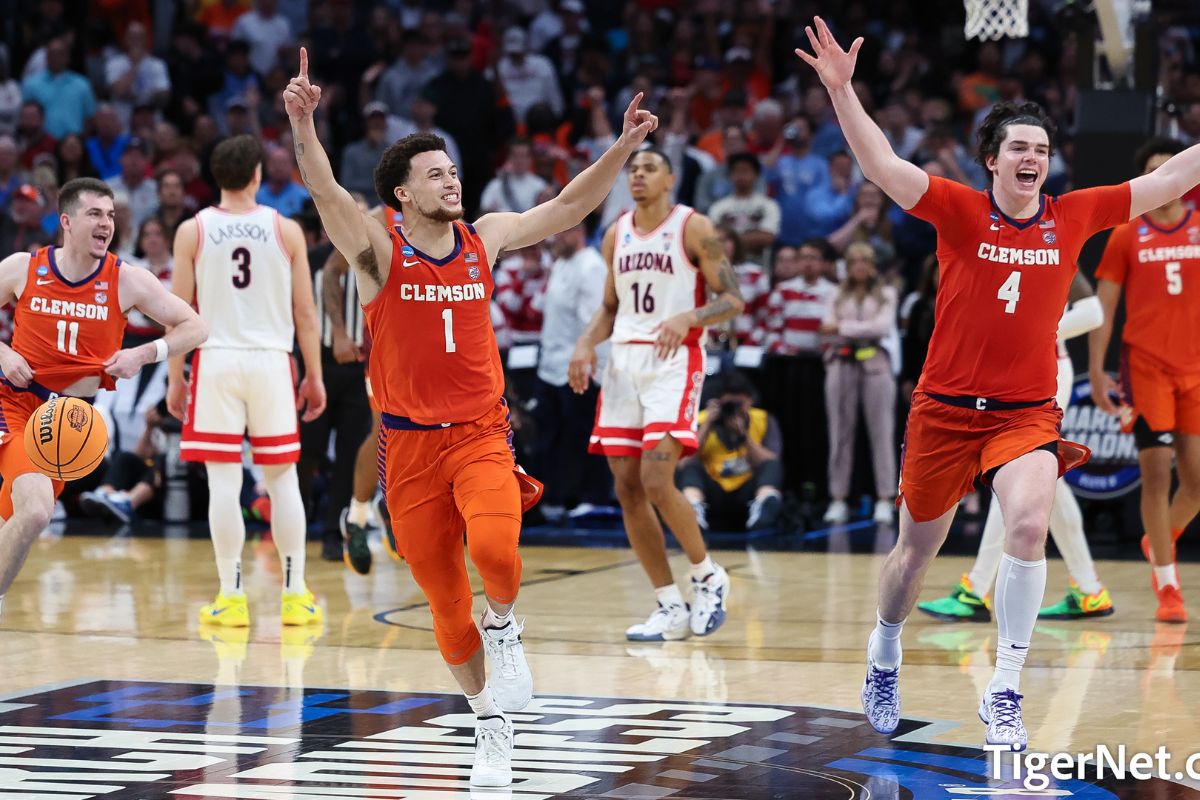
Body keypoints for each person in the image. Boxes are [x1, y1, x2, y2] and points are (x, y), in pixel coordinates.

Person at [797, 15, 1200, 749]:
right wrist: (842, 92)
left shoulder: (1074, 216)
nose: (1032, 158)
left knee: (1026, 525)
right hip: (945, 411)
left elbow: (1172, 177)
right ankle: (884, 650)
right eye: (1019, 147)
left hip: (1024, 415)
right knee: (913, 555)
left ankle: (1006, 687)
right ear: (992, 159)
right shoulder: (957, 207)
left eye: (1042, 150)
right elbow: (883, 166)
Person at [283, 47, 657, 787]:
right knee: (447, 607)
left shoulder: (485, 235)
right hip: (409, 447)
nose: (451, 179)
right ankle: (489, 722)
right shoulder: (379, 252)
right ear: (401, 193)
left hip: (481, 431)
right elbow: (324, 190)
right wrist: (303, 122)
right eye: (435, 174)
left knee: (495, 551)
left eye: (453, 170)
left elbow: (568, 206)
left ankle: (508, 624)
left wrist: (620, 148)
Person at [0, 177, 206, 615]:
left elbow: (196, 326)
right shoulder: (23, 267)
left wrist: (143, 353)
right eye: (95, 214)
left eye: (110, 215)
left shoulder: (126, 279)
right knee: (36, 512)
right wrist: (2, 353)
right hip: (15, 403)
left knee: (13, 519)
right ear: (67, 222)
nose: (106, 223)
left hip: (71, 421)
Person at [569, 146, 745, 643]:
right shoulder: (615, 234)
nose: (639, 175)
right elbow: (608, 306)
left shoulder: (694, 227)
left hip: (674, 360)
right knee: (626, 488)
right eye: (633, 169)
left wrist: (690, 316)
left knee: (655, 476)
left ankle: (708, 576)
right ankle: (668, 603)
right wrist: (586, 342)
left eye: (649, 168)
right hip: (623, 364)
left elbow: (733, 299)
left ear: (670, 178)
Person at [167, 134, 327, 630]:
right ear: (258, 175)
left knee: (223, 481)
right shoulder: (287, 229)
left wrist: (176, 378)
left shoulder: (192, 230)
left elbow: (177, 313)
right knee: (282, 481)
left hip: (214, 360)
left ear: (216, 176)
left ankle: (231, 596)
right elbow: (305, 310)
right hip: (270, 361)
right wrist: (314, 375)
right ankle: (295, 594)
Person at [919, 272, 1115, 622]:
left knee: (1016, 472)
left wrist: (1040, 332)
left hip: (1047, 371)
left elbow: (1093, 313)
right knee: (1041, 480)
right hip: (1003, 373)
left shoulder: (1050, 236)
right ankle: (1089, 590)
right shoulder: (990, 238)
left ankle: (976, 590)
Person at [1091, 136, 1200, 624]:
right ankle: (1168, 584)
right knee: (1156, 475)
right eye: (1153, 175)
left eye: (1170, 172)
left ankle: (1157, 538)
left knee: (1197, 486)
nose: (1165, 183)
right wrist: (1097, 369)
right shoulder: (1126, 234)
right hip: (1146, 368)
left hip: (1195, 370)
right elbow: (1105, 309)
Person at [820, 242, 898, 526]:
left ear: (873, 264)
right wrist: (842, 330)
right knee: (840, 431)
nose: (860, 266)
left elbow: (881, 327)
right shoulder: (835, 294)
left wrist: (841, 328)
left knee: (882, 431)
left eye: (866, 260)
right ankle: (838, 498)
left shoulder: (886, 294)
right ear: (848, 266)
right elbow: (824, 325)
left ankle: (884, 498)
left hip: (875, 363)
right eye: (855, 261)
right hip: (841, 364)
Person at [678, 370, 783, 531]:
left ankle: (763, 504)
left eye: (739, 404)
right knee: (689, 467)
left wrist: (743, 436)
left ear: (750, 401)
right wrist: (707, 426)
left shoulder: (763, 419)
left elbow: (770, 461)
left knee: (772, 466)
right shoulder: (702, 419)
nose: (734, 410)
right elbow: (684, 461)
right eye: (729, 405)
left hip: (746, 490)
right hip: (713, 491)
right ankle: (692, 507)